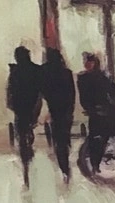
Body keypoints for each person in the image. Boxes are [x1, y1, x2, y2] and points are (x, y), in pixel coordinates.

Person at [76, 53, 115, 173]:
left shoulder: (101, 77)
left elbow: (114, 90)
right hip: (95, 111)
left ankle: (97, 160)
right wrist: (92, 109)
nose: (87, 64)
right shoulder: (83, 78)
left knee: (105, 135)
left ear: (95, 63)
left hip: (106, 110)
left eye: (90, 62)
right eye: (86, 62)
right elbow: (84, 98)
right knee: (96, 138)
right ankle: (94, 164)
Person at [7, 46, 42, 188]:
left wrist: (12, 106)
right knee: (26, 135)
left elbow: (10, 92)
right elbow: (39, 92)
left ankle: (26, 167)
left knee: (21, 138)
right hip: (31, 108)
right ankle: (28, 160)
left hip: (20, 110)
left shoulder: (15, 72)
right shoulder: (35, 70)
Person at [41, 48, 75, 184]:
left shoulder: (46, 73)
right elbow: (72, 94)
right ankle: (65, 168)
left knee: (58, 141)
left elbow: (44, 91)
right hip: (66, 111)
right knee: (64, 140)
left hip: (55, 110)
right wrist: (70, 110)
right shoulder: (66, 73)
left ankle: (64, 169)